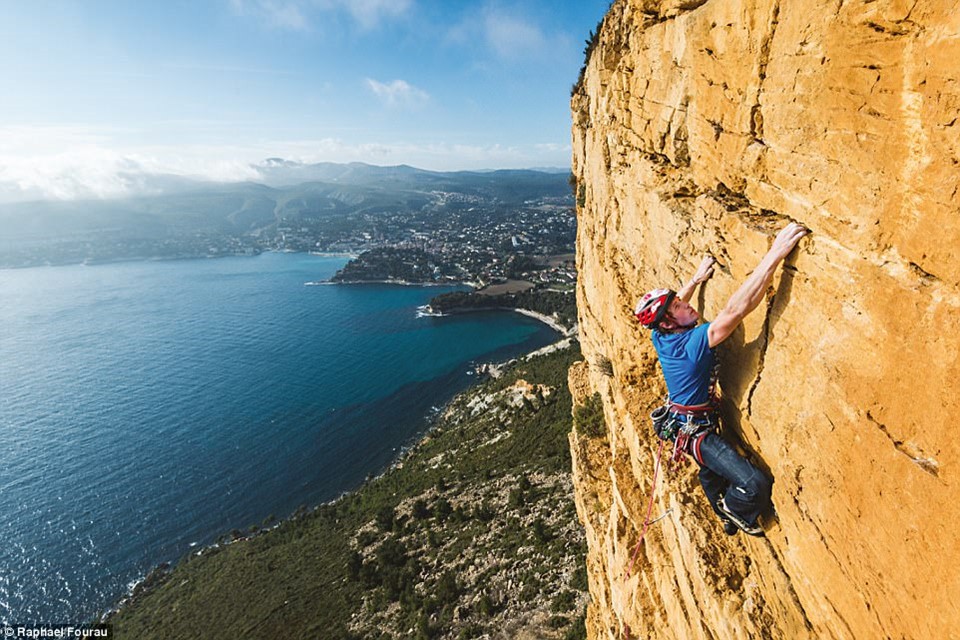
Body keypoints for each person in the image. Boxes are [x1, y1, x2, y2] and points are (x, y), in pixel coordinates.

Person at [634, 222, 808, 536]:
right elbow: (735, 310)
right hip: (695, 432)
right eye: (677, 307)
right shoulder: (691, 343)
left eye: (679, 301)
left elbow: (679, 303)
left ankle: (722, 511)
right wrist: (775, 255)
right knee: (755, 484)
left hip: (683, 422)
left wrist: (696, 279)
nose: (685, 305)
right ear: (669, 323)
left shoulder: (661, 336)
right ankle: (734, 509)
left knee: (711, 471)